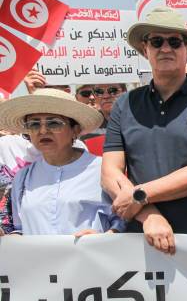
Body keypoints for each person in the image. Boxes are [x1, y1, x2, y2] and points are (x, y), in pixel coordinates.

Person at [101, 7, 187, 254]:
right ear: (145, 49)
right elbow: (110, 173)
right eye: (156, 41)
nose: (165, 48)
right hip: (142, 240)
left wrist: (141, 196)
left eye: (174, 42)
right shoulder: (124, 104)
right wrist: (150, 215)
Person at [0, 88, 122, 236]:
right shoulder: (22, 177)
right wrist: (10, 237)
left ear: (75, 130)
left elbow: (124, 220)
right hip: (36, 259)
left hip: (89, 257)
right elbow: (20, 227)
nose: (43, 131)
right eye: (34, 124)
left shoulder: (103, 170)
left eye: (53, 123)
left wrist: (107, 235)